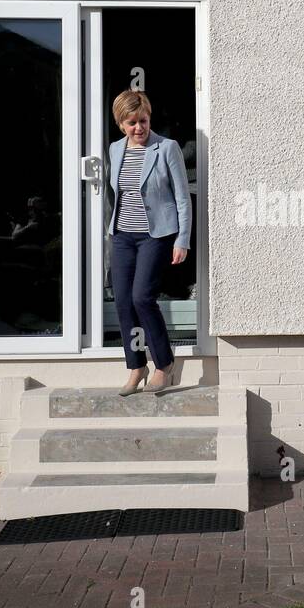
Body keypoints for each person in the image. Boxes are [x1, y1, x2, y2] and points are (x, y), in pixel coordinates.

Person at [106, 90, 190, 395]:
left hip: (155, 235)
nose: (139, 128)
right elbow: (116, 194)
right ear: (121, 123)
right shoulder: (116, 150)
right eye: (132, 123)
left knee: (142, 297)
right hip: (122, 235)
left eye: (143, 121)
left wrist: (182, 239)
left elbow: (182, 197)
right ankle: (135, 367)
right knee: (124, 303)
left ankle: (164, 364)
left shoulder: (166, 148)